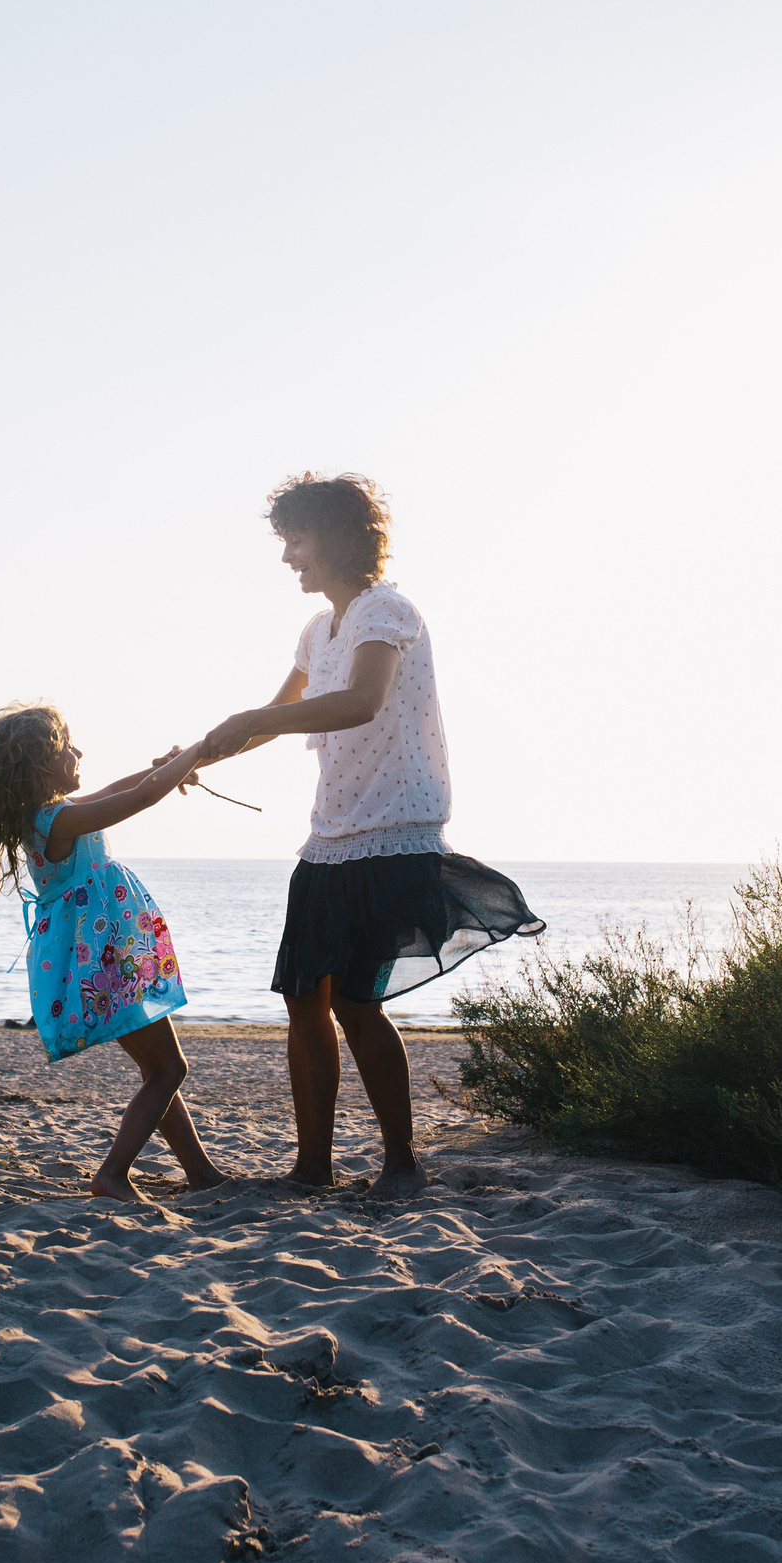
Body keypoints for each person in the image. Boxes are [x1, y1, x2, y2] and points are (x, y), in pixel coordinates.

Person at [200, 474, 543, 1198]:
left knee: (358, 1004)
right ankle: (312, 1167)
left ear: (338, 536)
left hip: (394, 834)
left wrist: (251, 723)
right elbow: (272, 713)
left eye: (297, 539)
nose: (289, 555)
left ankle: (400, 1162)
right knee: (304, 1000)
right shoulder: (315, 629)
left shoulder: (387, 609)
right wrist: (196, 754)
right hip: (329, 838)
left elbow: (360, 701)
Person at [0, 703, 229, 1204]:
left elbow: (123, 788)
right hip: (105, 959)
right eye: (66, 748)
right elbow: (141, 798)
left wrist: (169, 766)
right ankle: (113, 1174)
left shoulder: (48, 816)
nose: (78, 752)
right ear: (40, 765)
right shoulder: (56, 821)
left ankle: (201, 1173)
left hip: (102, 957)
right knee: (170, 1070)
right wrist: (192, 753)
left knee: (159, 1069)